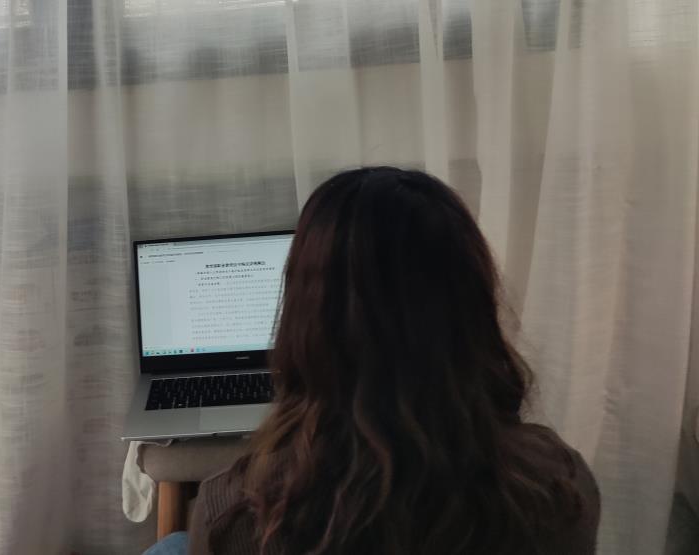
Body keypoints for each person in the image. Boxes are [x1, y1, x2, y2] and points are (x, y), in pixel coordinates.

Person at [145, 167, 600, 555]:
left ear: (307, 319)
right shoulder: (562, 486)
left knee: (171, 546)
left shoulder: (234, 516)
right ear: (472, 308)